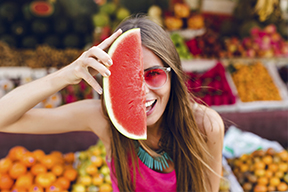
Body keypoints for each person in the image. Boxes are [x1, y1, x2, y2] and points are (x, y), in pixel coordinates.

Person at [0, 15, 224, 192]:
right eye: (128, 79)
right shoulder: (102, 119)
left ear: (173, 74)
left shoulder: (206, 126)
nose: (143, 91)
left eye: (154, 74)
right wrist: (66, 74)